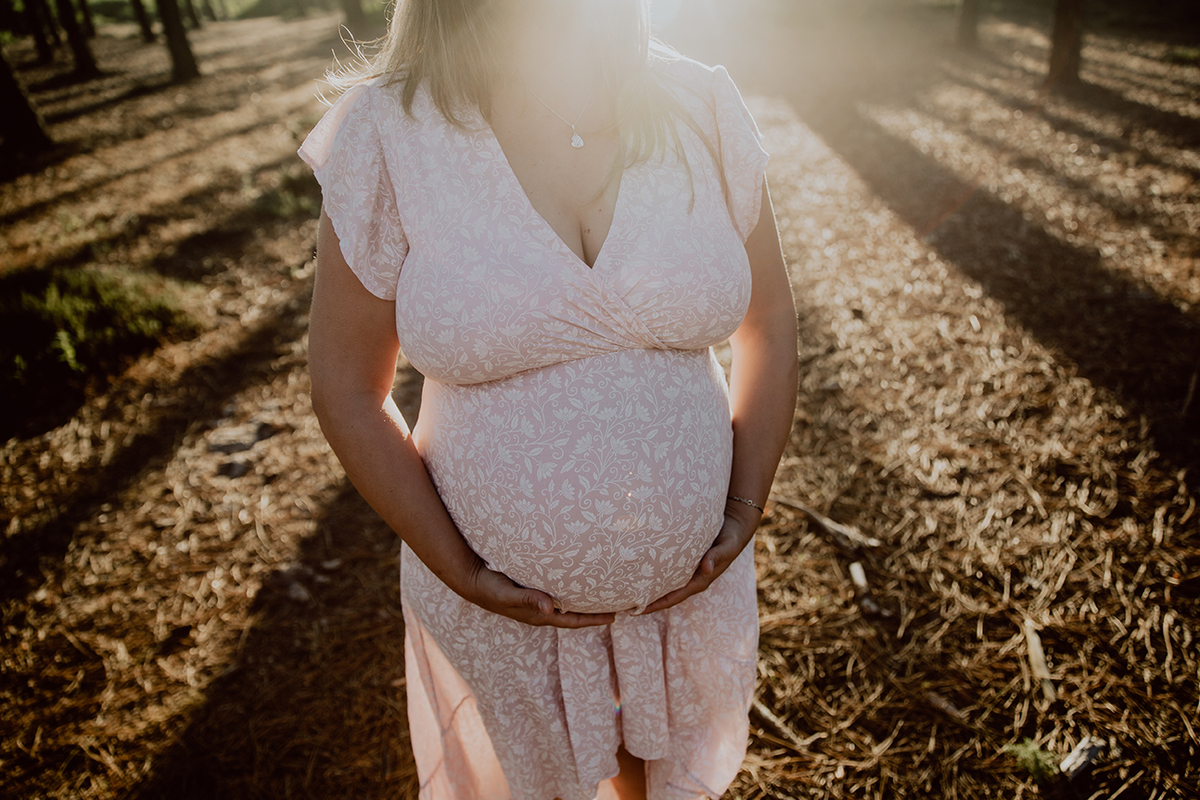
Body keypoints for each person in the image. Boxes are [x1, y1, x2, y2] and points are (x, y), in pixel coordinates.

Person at [299, 0, 798, 797]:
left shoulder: (700, 103)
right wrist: (461, 569)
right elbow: (347, 389)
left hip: (687, 601)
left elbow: (768, 322)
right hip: (499, 614)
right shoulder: (389, 128)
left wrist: (743, 504)